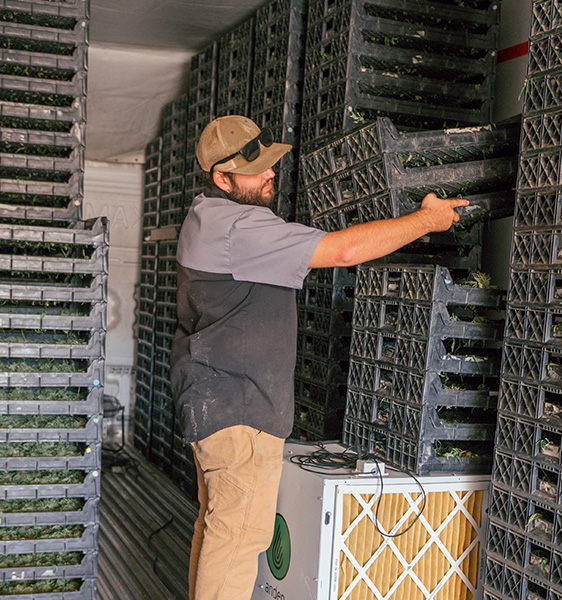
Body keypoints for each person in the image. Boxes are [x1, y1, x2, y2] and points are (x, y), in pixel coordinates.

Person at [170, 115, 467, 600]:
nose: (270, 174)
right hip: (238, 411)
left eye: (269, 164)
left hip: (215, 403)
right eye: (256, 169)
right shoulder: (237, 227)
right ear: (221, 178)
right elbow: (346, 251)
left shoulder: (207, 217)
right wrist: (427, 221)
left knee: (219, 530)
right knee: (239, 540)